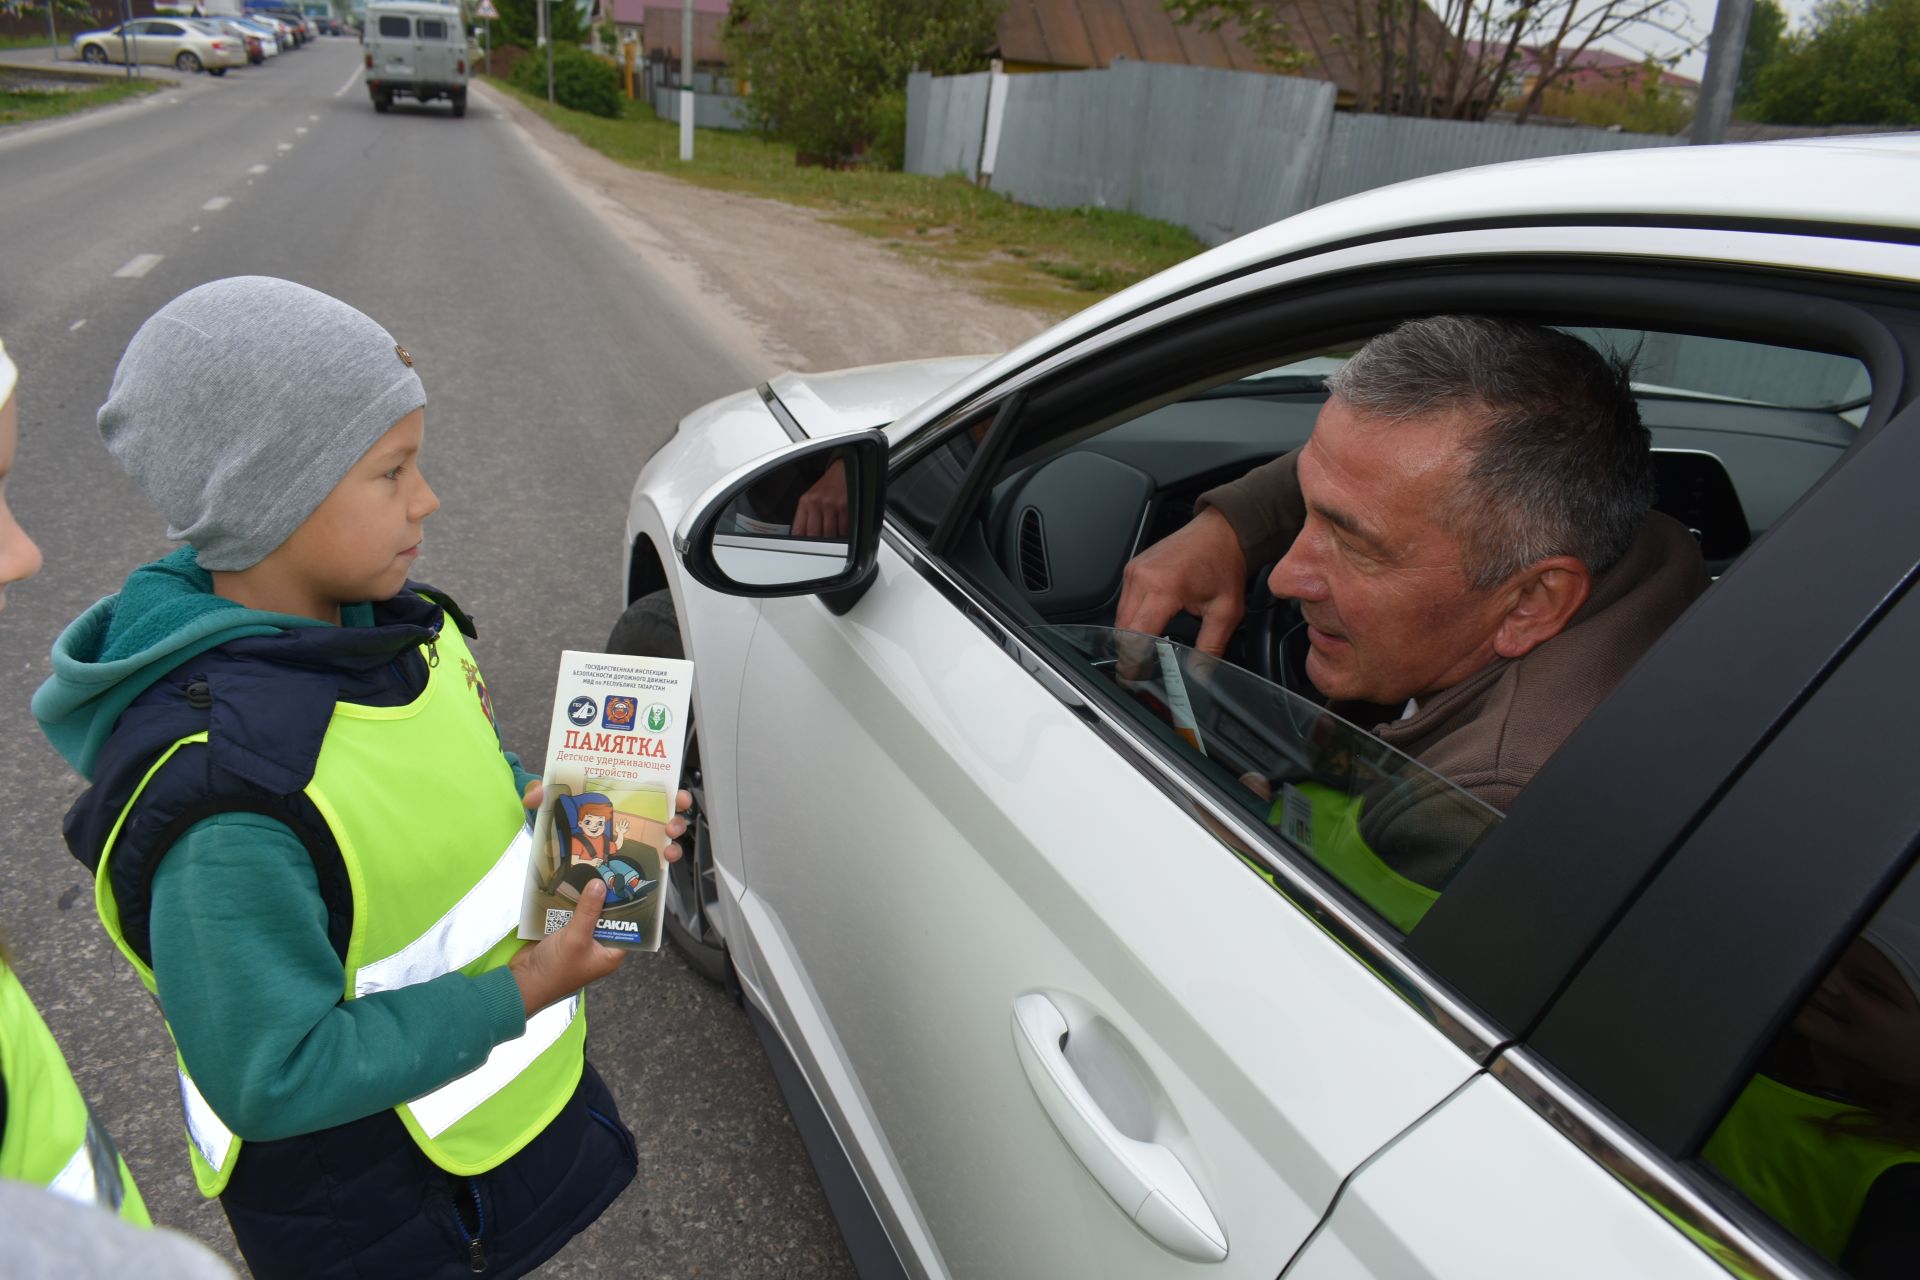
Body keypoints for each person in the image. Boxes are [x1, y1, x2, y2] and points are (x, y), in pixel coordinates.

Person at [31, 278, 687, 1279]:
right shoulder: (227, 798)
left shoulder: (384, 623)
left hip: (487, 1159)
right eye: (393, 471)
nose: (427, 498)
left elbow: (447, 765)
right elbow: (273, 1068)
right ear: (268, 497)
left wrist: (559, 814)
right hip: (380, 1217)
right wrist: (524, 986)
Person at [1116, 315, 1709, 815]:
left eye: (1356, 545)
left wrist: (1230, 849)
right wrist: (1230, 527)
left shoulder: (1477, 801)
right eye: (1309, 511)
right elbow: (1381, 480)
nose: (1281, 576)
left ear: (1532, 602)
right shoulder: (1609, 535)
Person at [0, 342, 236, 1275]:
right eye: (390, 472)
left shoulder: (412, 635)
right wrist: (522, 989)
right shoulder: (231, 777)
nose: (25, 555)